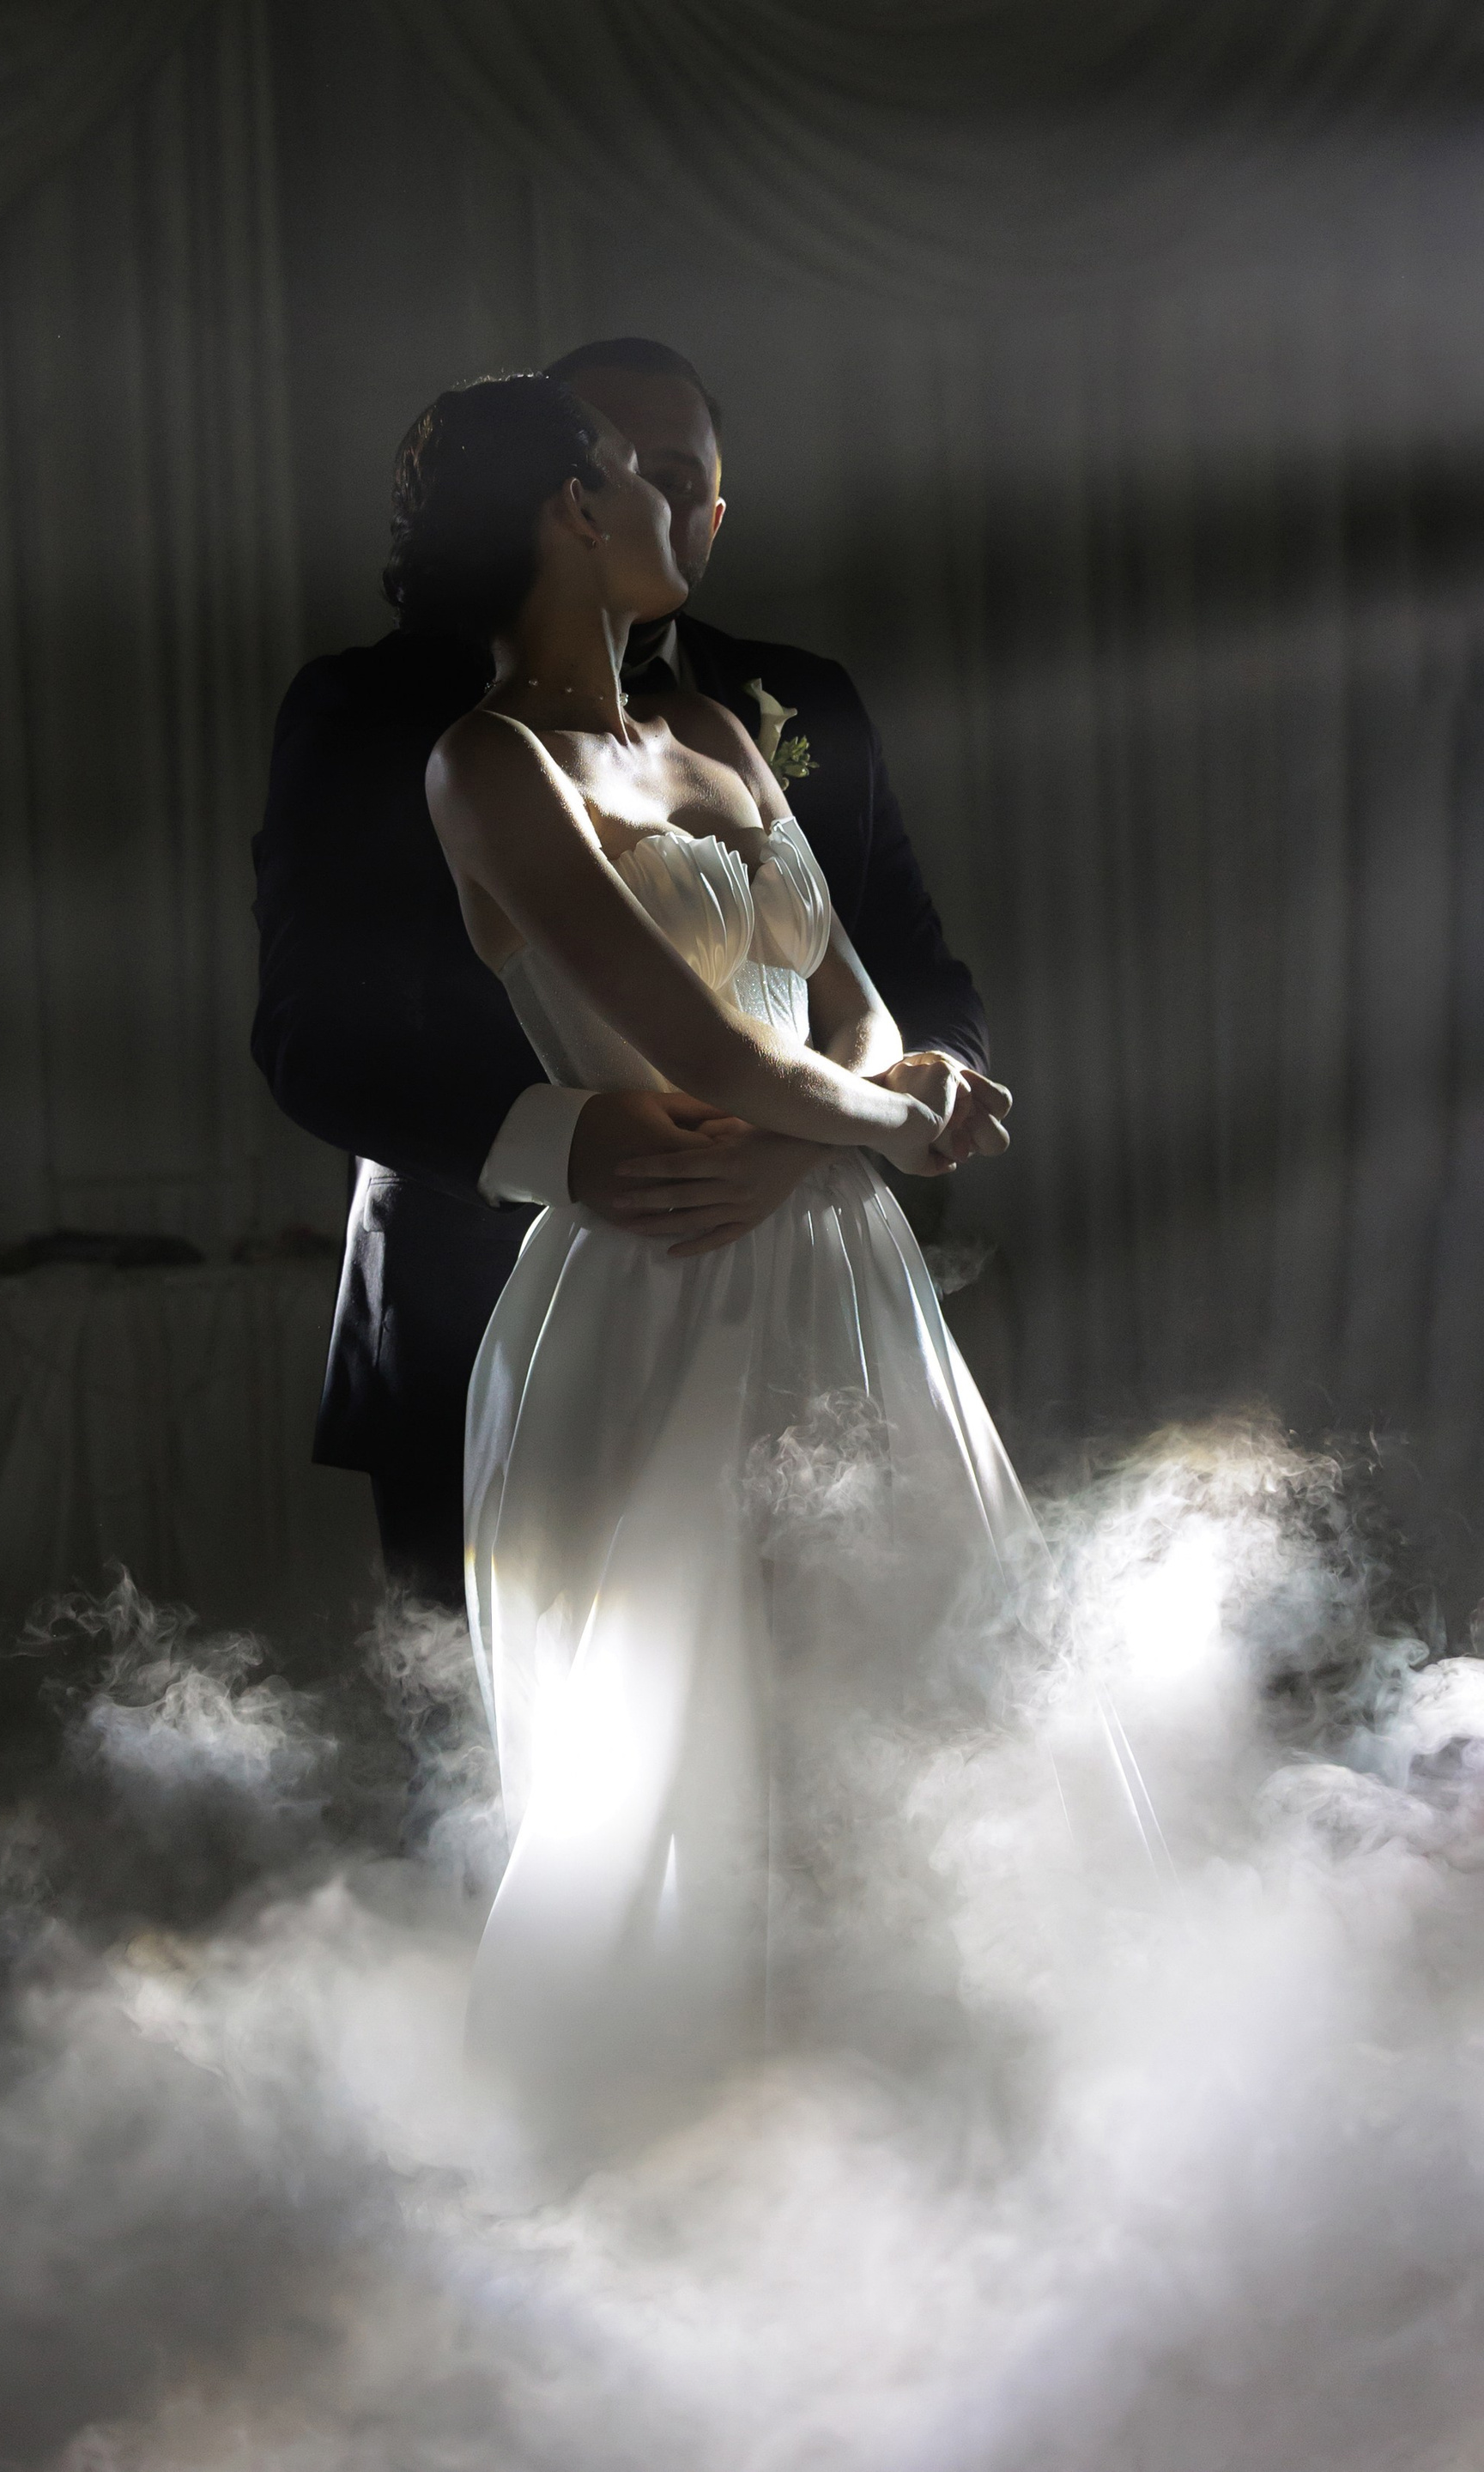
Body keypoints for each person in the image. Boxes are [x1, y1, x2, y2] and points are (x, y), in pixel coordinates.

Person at [392, 373, 1038, 2148]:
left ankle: (916, 2120)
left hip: (836, 1263)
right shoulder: (488, 765)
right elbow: (709, 1051)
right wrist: (888, 1125)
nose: (688, 512)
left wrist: (886, 1095)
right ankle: (699, 2149)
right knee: (700, 1743)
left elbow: (851, 999)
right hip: (665, 1269)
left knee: (893, 1692)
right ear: (571, 511)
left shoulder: (717, 732)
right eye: (645, 479)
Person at [251, 339, 1006, 1604]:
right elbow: (310, 1033)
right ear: (566, 495)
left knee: (898, 1661)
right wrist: (575, 1145)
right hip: (501, 1287)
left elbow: (906, 971)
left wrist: (844, 1121)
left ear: (712, 512)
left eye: (680, 474)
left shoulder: (773, 708)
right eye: (622, 458)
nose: (652, 487)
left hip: (824, 1241)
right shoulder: (384, 716)